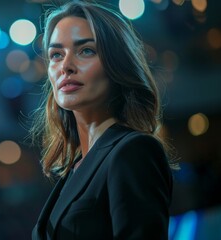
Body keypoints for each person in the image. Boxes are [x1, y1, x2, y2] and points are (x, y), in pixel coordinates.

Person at [30, 1, 177, 239]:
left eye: (86, 50)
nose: (65, 66)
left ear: (117, 63)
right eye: (56, 55)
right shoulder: (75, 166)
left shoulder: (133, 151)